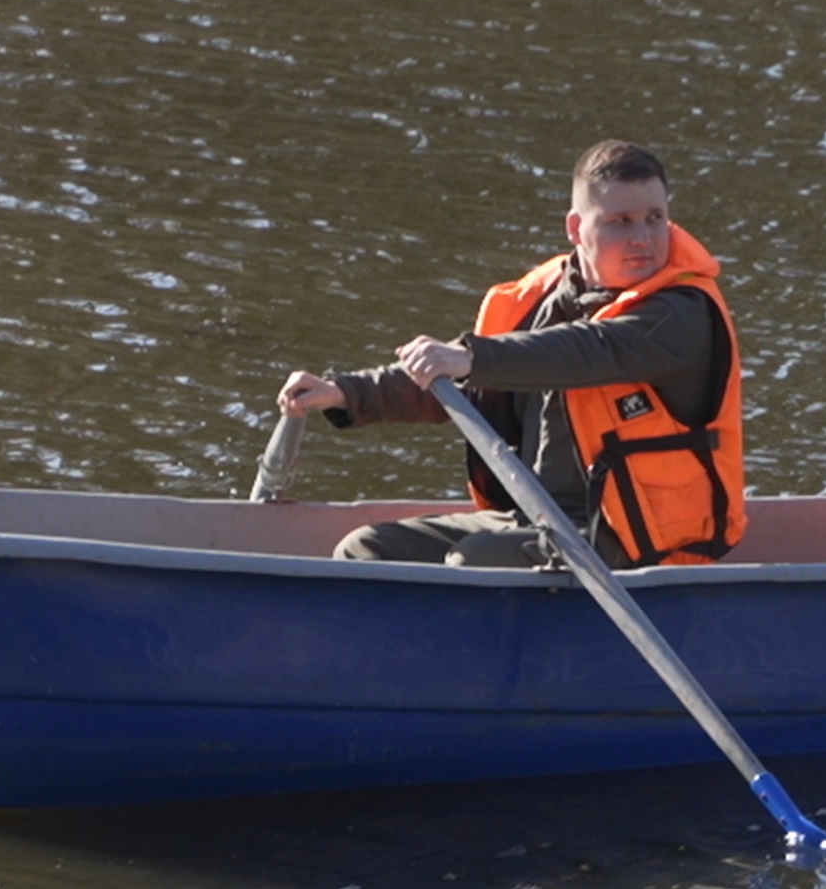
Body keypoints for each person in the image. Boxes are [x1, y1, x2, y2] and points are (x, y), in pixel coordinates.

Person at [277, 140, 747, 568]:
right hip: (536, 518)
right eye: (620, 222)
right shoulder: (544, 301)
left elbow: (583, 351)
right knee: (364, 549)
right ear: (575, 228)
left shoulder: (681, 315)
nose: (643, 238)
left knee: (473, 562)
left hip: (629, 536)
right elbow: (460, 383)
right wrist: (344, 392)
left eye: (655, 217)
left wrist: (470, 357)